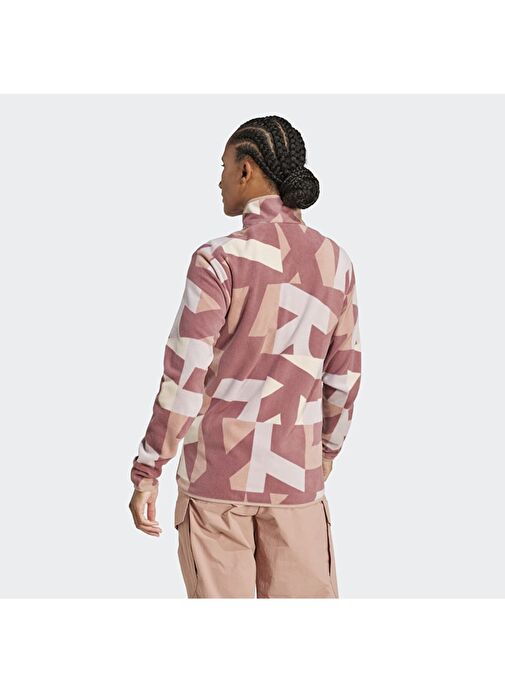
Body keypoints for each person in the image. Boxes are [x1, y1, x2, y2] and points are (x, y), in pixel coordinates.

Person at [128, 115, 362, 598]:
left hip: (216, 483)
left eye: (223, 166)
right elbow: (344, 376)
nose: (219, 180)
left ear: (246, 170)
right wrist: (325, 454)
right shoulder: (335, 261)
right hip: (295, 482)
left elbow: (184, 378)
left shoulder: (218, 260)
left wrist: (148, 470)